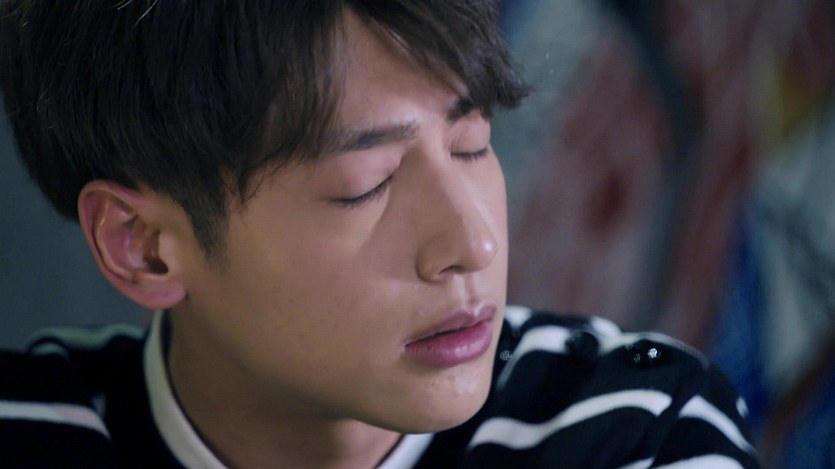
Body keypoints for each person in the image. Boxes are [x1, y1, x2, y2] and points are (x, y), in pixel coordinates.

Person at [0, 1, 759, 467]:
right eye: (367, 185)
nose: (474, 244)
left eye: (473, 144)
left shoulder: (634, 431)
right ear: (144, 244)